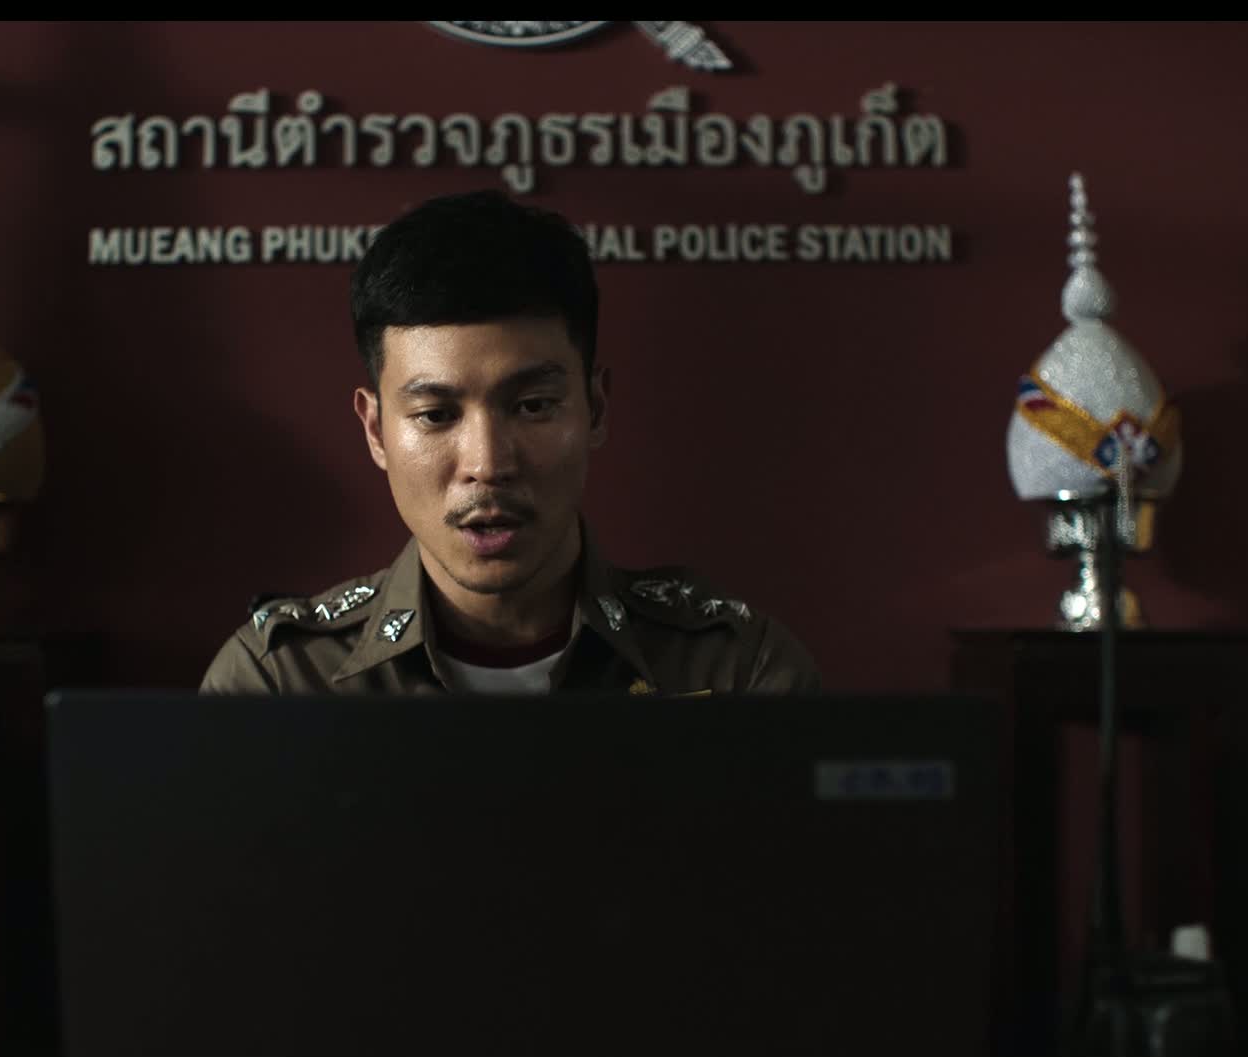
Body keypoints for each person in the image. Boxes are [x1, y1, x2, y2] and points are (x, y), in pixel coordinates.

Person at [199, 189, 818, 695]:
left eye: (533, 406)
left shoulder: (736, 673)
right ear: (376, 429)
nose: (488, 464)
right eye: (436, 415)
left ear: (596, 409)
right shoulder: (281, 682)